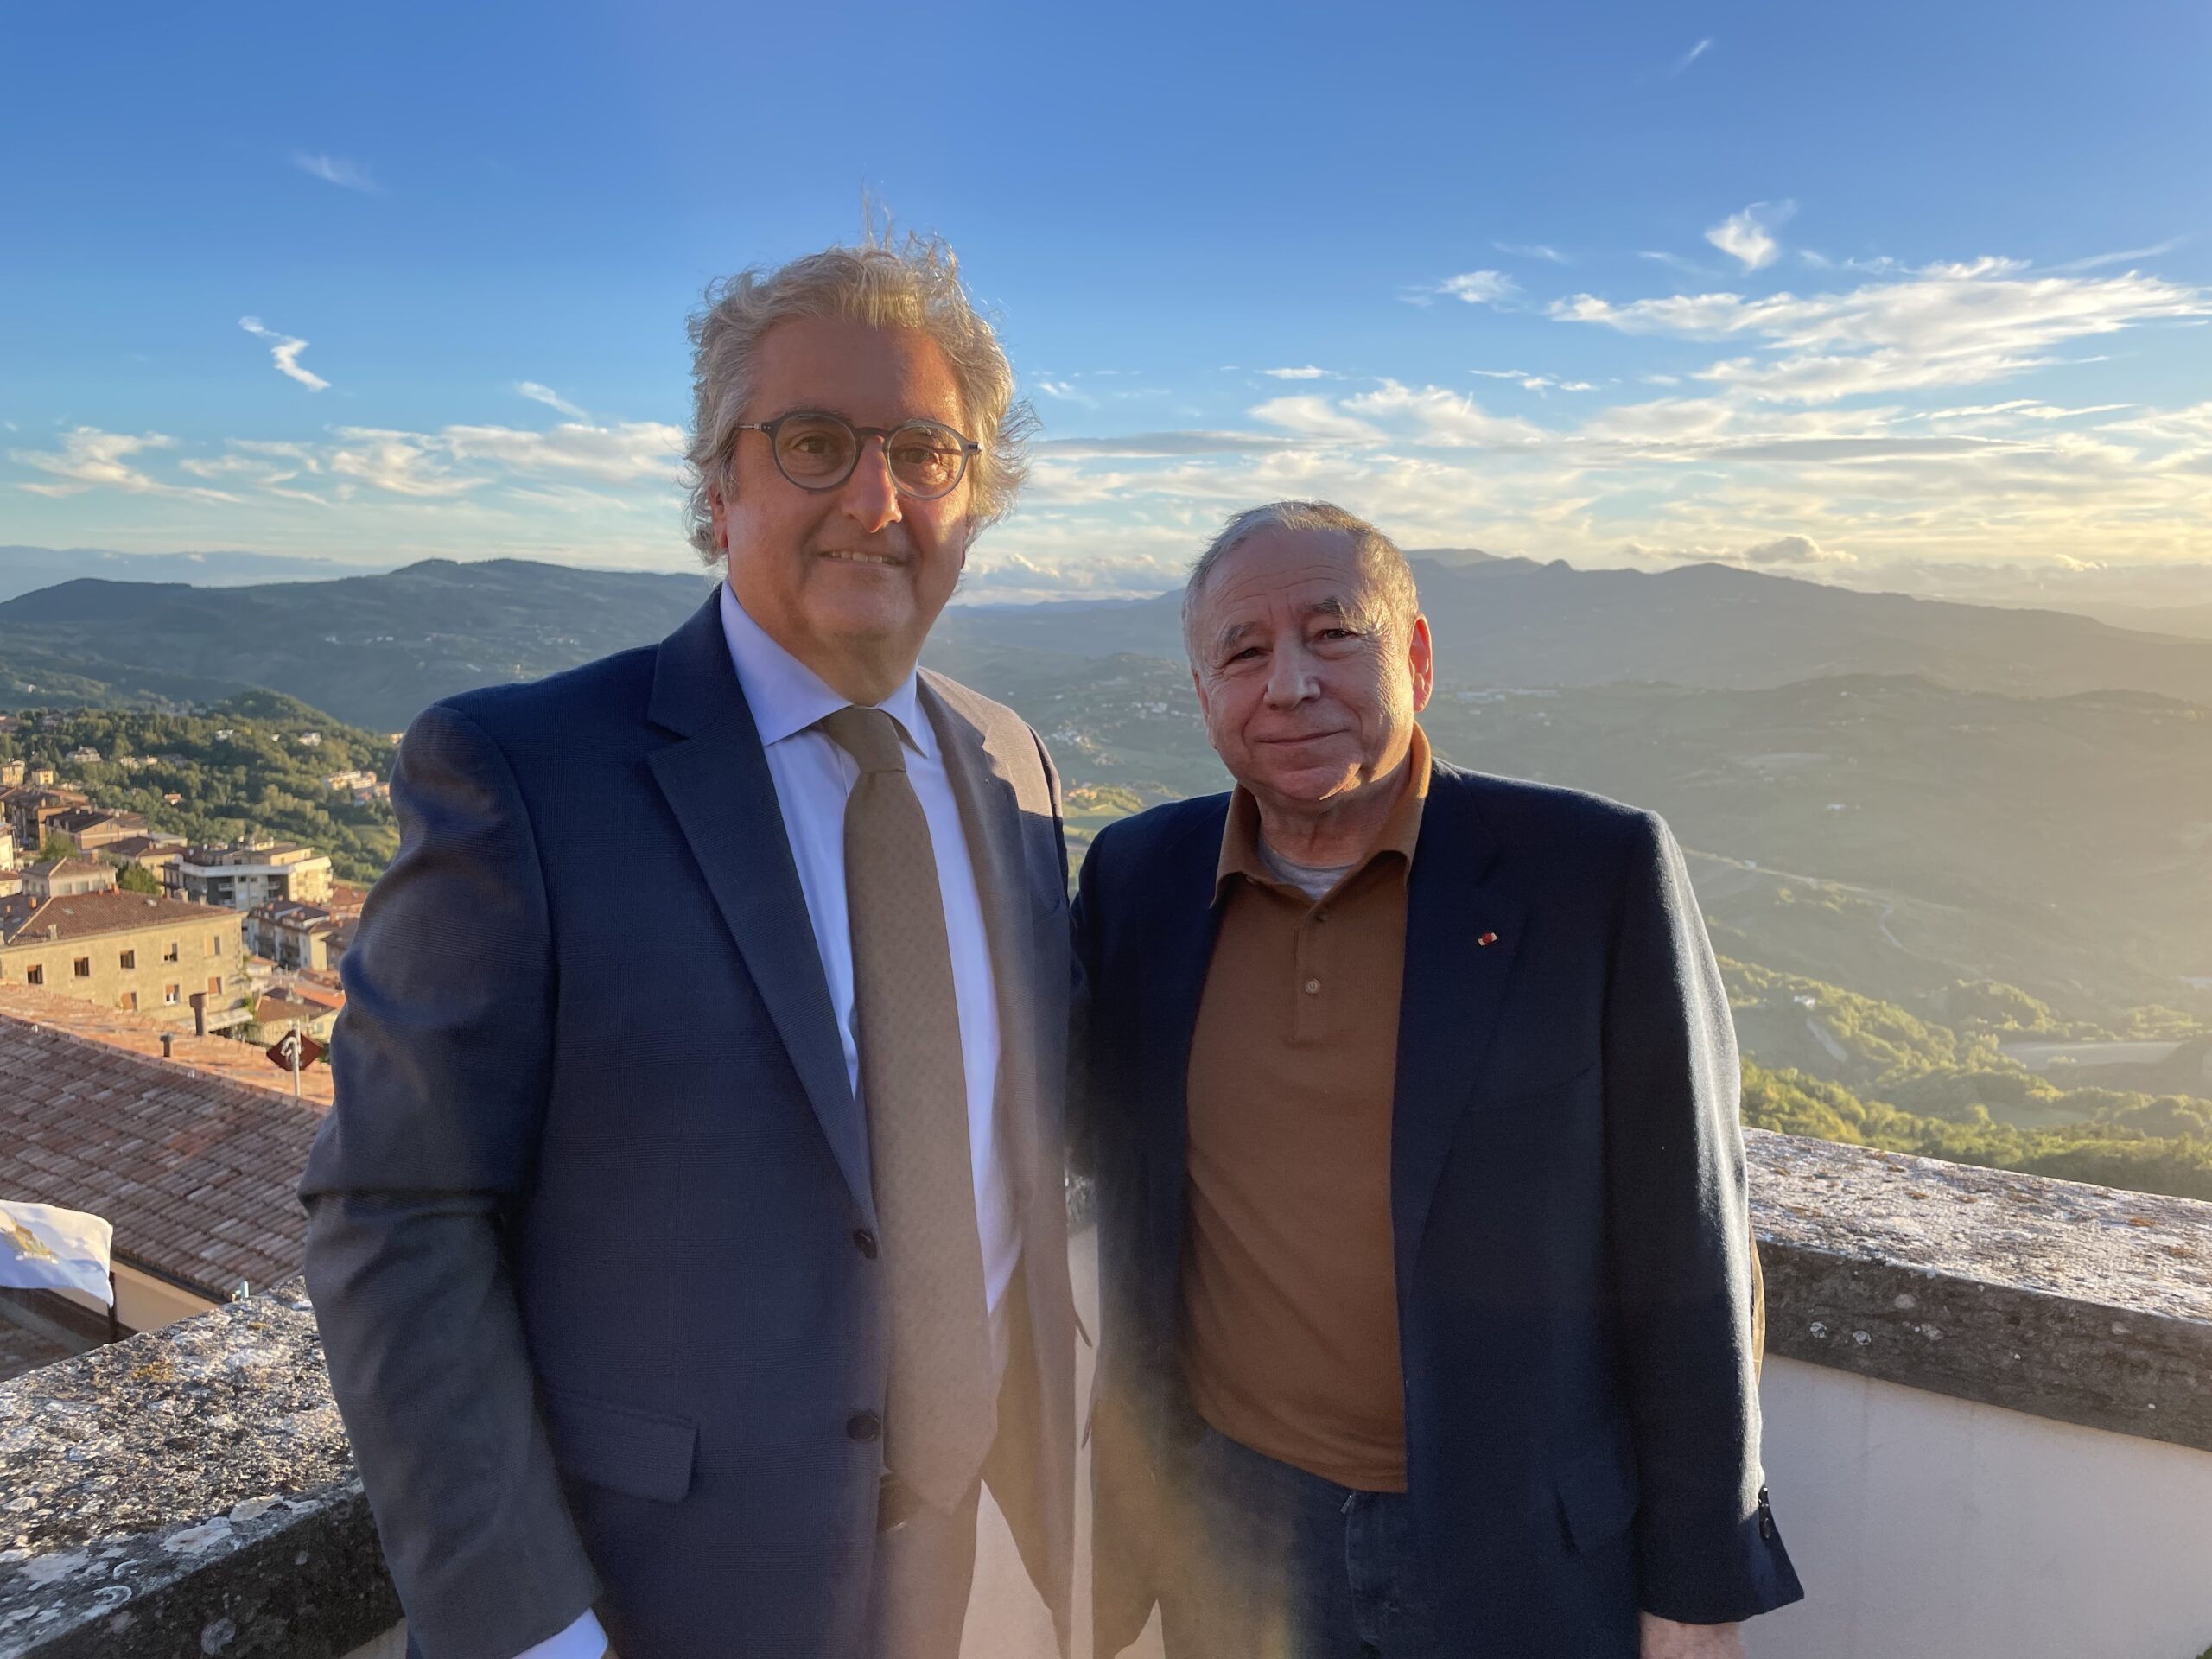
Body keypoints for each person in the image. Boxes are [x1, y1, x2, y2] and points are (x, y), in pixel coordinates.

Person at [301, 238, 1077, 1659]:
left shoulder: (1007, 764)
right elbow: (396, 1210)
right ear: (718, 491)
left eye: (925, 453)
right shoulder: (526, 775)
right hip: (652, 1593)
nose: (877, 498)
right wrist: (532, 1630)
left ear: (976, 499)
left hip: (947, 1559)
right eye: (816, 443)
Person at [1073, 501, 1802, 1659]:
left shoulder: (1590, 876)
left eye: (1334, 635)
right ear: (1204, 691)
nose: (1291, 685)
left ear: (1415, 656)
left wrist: (1698, 1586)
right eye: (1244, 653)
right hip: (1234, 1525)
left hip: (1516, 1542)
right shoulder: (1139, 877)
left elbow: (1692, 1243)